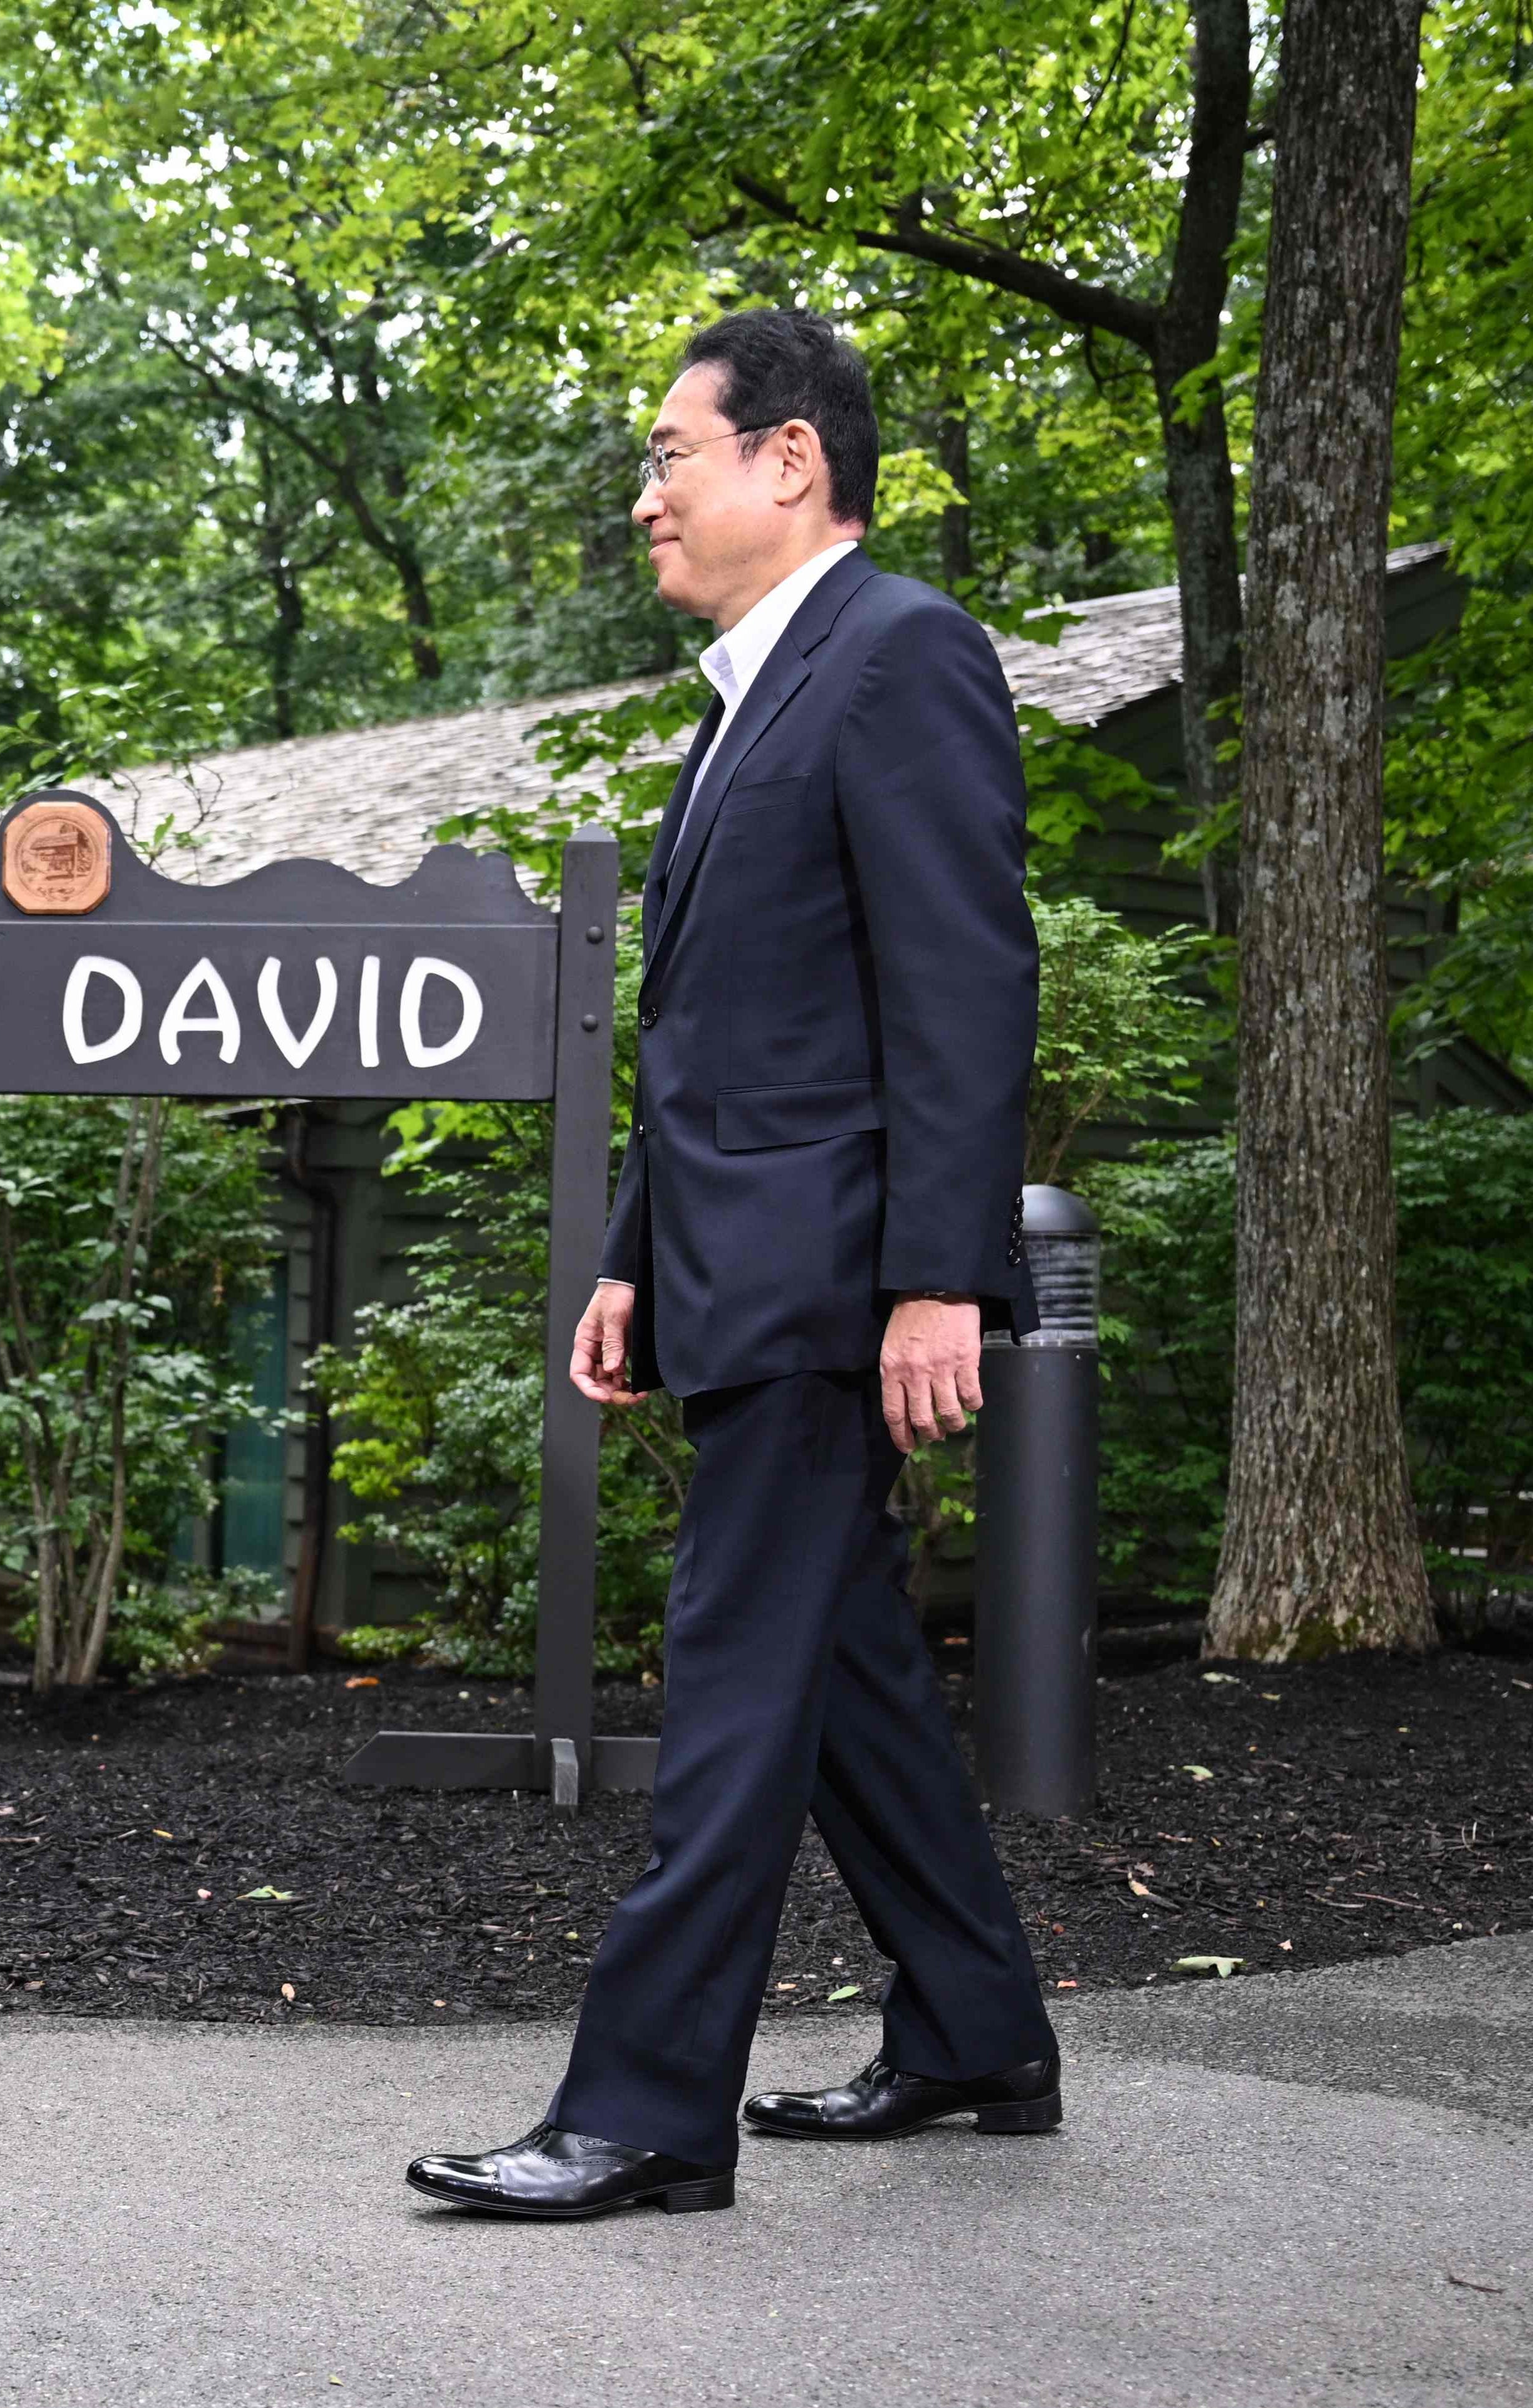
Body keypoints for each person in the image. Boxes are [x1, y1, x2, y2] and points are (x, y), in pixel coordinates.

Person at [407, 309, 1061, 2221]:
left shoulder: (899, 656)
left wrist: (941, 1274)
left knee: (732, 1676)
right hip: (734, 1265)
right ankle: (974, 2025)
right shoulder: (751, 696)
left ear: (789, 461)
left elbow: (962, 979)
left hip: (833, 1277)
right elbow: (712, 1027)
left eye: (667, 458)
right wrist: (630, 1253)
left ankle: (644, 2108)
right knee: (837, 1663)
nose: (644, 500)